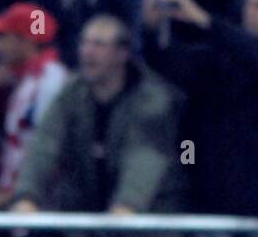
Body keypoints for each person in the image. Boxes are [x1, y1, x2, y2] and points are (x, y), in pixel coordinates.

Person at [139, 0, 258, 216]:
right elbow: (171, 66)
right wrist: (151, 31)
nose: (250, 11)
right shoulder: (223, 59)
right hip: (217, 198)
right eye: (248, 5)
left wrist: (207, 21)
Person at [11, 14, 186, 216]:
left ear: (122, 53)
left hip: (151, 211)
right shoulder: (72, 92)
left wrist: (128, 204)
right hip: (88, 205)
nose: (87, 52)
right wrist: (27, 196)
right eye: (84, 43)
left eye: (98, 44)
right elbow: (46, 142)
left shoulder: (152, 98)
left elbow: (145, 153)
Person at [0, 2, 66, 210]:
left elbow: (49, 153)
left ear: (24, 41)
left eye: (3, 37)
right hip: (13, 199)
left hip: (36, 206)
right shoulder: (25, 79)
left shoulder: (50, 81)